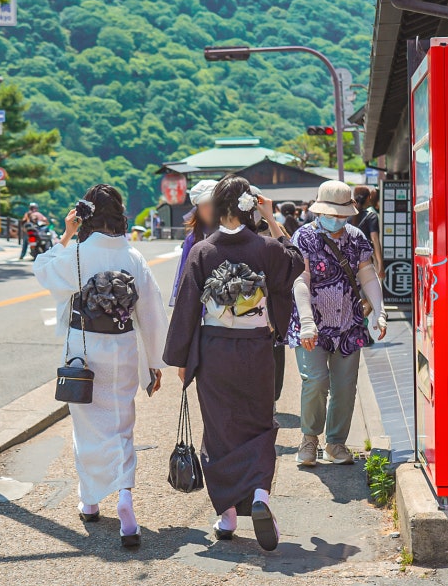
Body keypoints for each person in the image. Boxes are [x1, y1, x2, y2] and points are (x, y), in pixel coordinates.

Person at [165, 176, 304, 551]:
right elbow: (296, 263)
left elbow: (186, 307)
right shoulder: (266, 248)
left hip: (214, 350)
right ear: (249, 205)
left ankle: (226, 515)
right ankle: (260, 495)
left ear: (217, 206)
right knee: (258, 423)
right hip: (256, 348)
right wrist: (272, 219)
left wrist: (181, 358)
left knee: (220, 428)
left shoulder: (203, 252)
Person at [32, 185, 169, 548]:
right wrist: (154, 363)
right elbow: (152, 314)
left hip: (84, 349)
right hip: (123, 348)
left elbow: (43, 271)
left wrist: (66, 234)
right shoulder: (133, 257)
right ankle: (125, 496)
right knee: (121, 424)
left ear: (85, 215)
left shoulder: (78, 253)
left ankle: (90, 499)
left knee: (87, 425)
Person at [288, 180, 387, 467]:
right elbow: (301, 279)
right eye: (332, 214)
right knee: (315, 381)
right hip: (311, 325)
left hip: (348, 323)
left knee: (345, 386)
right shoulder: (303, 237)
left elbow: (367, 275)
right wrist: (306, 321)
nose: (337, 220)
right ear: (320, 211)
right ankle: (309, 439)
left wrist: (379, 310)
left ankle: (336, 443)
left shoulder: (357, 238)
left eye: (342, 214)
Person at [349, 186, 382, 274]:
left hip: (348, 260)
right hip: (366, 261)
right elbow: (375, 239)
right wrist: (380, 264)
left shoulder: (347, 215)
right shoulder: (371, 216)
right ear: (368, 198)